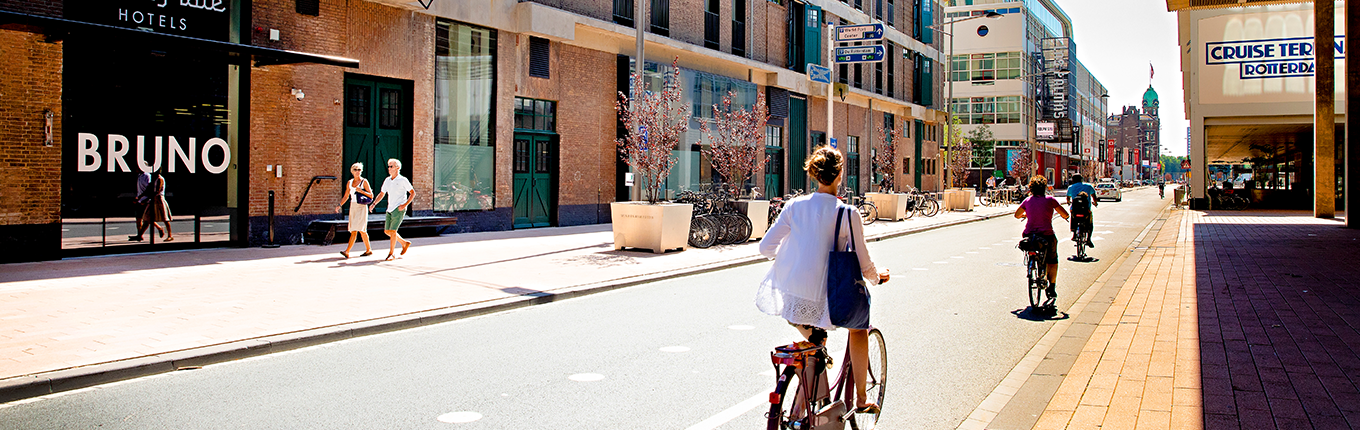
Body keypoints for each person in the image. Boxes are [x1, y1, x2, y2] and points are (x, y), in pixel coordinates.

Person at [756, 146, 891, 414]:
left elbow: (765, 248)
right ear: (840, 174)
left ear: (814, 174)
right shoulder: (848, 213)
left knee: (814, 339)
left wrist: (793, 256)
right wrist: (878, 277)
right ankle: (862, 400)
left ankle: (802, 401)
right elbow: (864, 264)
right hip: (831, 298)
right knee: (859, 329)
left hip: (792, 297)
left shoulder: (794, 206)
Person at [1015, 176, 1069, 302]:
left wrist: (1025, 214)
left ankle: (1032, 263)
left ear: (1031, 189)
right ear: (1044, 188)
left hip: (1029, 235)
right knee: (1052, 260)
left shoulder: (1027, 201)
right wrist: (1064, 216)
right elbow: (1064, 213)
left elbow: (1017, 215)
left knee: (1033, 250)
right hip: (1046, 235)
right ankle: (1052, 286)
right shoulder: (1051, 200)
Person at [370, 158, 414, 261]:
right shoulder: (387, 180)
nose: (389, 168)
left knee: (393, 231)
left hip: (398, 208)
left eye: (391, 166)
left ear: (398, 168)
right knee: (387, 231)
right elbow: (382, 193)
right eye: (388, 166)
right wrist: (374, 204)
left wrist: (405, 205)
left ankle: (391, 253)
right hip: (389, 208)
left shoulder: (403, 180)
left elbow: (412, 193)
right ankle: (404, 243)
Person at [335, 162, 374, 259]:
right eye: (355, 170)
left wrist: (361, 191)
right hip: (353, 206)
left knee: (359, 230)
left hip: (361, 206)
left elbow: (371, 195)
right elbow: (346, 196)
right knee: (357, 230)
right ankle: (368, 250)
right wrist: (339, 205)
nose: (357, 172)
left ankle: (347, 251)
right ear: (352, 171)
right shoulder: (350, 182)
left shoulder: (364, 181)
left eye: (359, 170)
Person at [1064, 174, 1097, 248]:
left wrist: (1069, 202)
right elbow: (1094, 195)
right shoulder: (1088, 186)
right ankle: (1088, 239)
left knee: (1073, 218)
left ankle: (1074, 234)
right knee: (1090, 223)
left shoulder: (1071, 187)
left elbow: (1068, 198)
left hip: (1075, 210)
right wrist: (1095, 202)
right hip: (1086, 210)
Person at [128, 170, 161, 241]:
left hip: (145, 200)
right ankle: (139, 235)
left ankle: (159, 228)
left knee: (147, 219)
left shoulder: (147, 176)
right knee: (138, 219)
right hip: (140, 199)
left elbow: (149, 189)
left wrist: (143, 198)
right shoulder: (139, 176)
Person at [145, 167, 174, 242]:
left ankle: (170, 235)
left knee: (165, 218)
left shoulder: (160, 179)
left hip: (159, 199)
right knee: (147, 217)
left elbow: (157, 190)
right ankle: (159, 228)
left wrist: (150, 196)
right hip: (153, 199)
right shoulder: (153, 179)